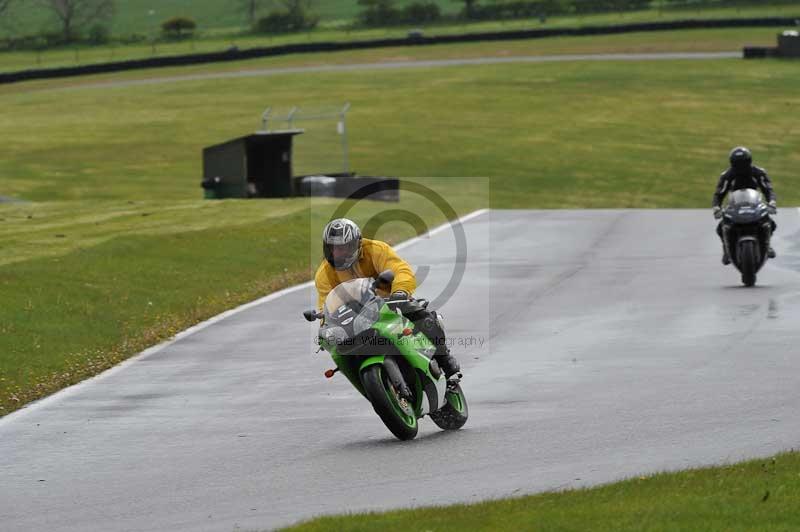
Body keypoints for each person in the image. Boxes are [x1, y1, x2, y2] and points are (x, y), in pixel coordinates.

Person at [315, 218, 461, 377]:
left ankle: (443, 356)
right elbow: (325, 305)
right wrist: (326, 324)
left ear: (357, 244)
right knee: (340, 347)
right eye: (333, 249)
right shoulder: (324, 274)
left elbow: (401, 270)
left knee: (422, 317)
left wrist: (400, 292)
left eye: (344, 248)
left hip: (390, 303)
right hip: (355, 316)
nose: (338, 253)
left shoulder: (375, 250)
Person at [712, 146, 777, 265]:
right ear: (732, 163)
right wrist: (717, 207)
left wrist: (771, 202)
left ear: (749, 161)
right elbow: (719, 193)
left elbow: (768, 189)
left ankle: (767, 245)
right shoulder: (727, 176)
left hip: (755, 204)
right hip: (735, 205)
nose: (741, 167)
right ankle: (726, 250)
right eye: (737, 164)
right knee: (721, 228)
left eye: (743, 163)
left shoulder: (758, 173)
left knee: (771, 223)